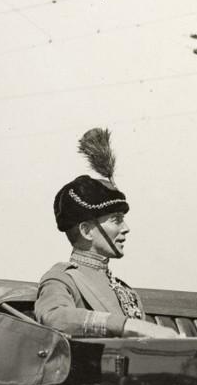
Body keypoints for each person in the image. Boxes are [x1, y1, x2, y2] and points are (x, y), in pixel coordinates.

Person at [35, 128, 177, 339]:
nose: (126, 228)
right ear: (86, 230)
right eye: (116, 220)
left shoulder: (124, 290)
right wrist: (126, 325)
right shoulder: (63, 278)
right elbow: (55, 317)